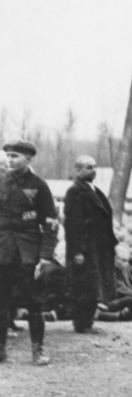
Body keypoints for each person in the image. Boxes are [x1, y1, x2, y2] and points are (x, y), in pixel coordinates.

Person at [0, 140, 59, 365]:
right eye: (8, 155)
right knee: (1, 301)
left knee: (34, 302)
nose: (10, 160)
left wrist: (44, 256)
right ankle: (0, 350)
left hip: (28, 253)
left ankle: (38, 350)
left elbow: (51, 222)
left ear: (28, 159)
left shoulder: (39, 185)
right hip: (3, 252)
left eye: (15, 156)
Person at [63, 155, 118, 334]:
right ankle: (81, 323)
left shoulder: (93, 190)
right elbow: (72, 224)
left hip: (98, 246)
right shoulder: (75, 191)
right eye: (88, 167)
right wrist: (77, 251)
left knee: (93, 284)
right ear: (78, 170)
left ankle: (88, 321)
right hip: (85, 247)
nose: (93, 170)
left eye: (94, 167)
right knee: (84, 285)